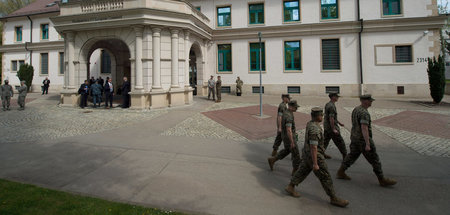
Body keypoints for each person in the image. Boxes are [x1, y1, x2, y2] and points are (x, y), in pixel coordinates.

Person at [285, 107, 349, 208]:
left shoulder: (310, 123)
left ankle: (291, 186)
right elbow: (313, 147)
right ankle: (333, 198)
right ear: (318, 116)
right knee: (325, 176)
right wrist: (315, 163)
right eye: (321, 115)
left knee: (303, 171)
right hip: (315, 156)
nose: (323, 116)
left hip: (307, 154)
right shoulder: (314, 128)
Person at [336, 94, 397, 187]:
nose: (371, 102)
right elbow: (364, 128)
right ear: (364, 101)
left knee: (352, 156)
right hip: (362, 140)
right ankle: (382, 179)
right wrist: (367, 143)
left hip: (355, 138)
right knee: (375, 159)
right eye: (370, 101)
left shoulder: (356, 109)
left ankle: (341, 172)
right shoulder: (364, 113)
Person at [268, 100, 301, 176]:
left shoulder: (287, 112)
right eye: (295, 107)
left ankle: (273, 160)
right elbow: (289, 129)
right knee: (296, 154)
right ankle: (295, 172)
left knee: (287, 150)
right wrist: (292, 142)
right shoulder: (288, 116)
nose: (296, 108)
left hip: (285, 136)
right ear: (291, 107)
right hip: (289, 137)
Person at [323, 93, 347, 160]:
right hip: (331, 127)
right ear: (333, 97)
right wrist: (333, 129)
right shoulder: (331, 106)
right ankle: (345, 155)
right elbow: (331, 118)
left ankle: (321, 153)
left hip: (327, 127)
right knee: (340, 142)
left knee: (325, 141)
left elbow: (332, 117)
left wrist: (339, 123)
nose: (337, 98)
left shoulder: (328, 104)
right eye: (336, 97)